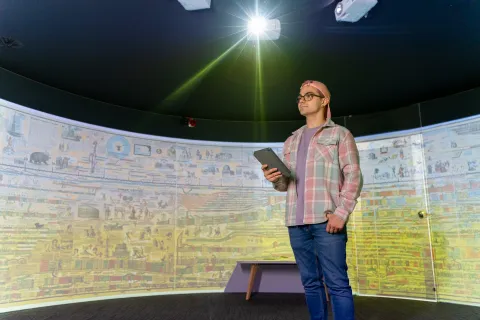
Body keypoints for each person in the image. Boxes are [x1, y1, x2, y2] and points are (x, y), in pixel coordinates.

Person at [262, 80, 363, 320]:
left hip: (327, 220)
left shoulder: (340, 134)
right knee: (310, 284)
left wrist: (342, 212)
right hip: (296, 223)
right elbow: (285, 184)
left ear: (324, 100)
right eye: (299, 97)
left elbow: (353, 174)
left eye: (308, 95)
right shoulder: (291, 140)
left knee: (337, 284)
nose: (302, 100)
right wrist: (274, 178)